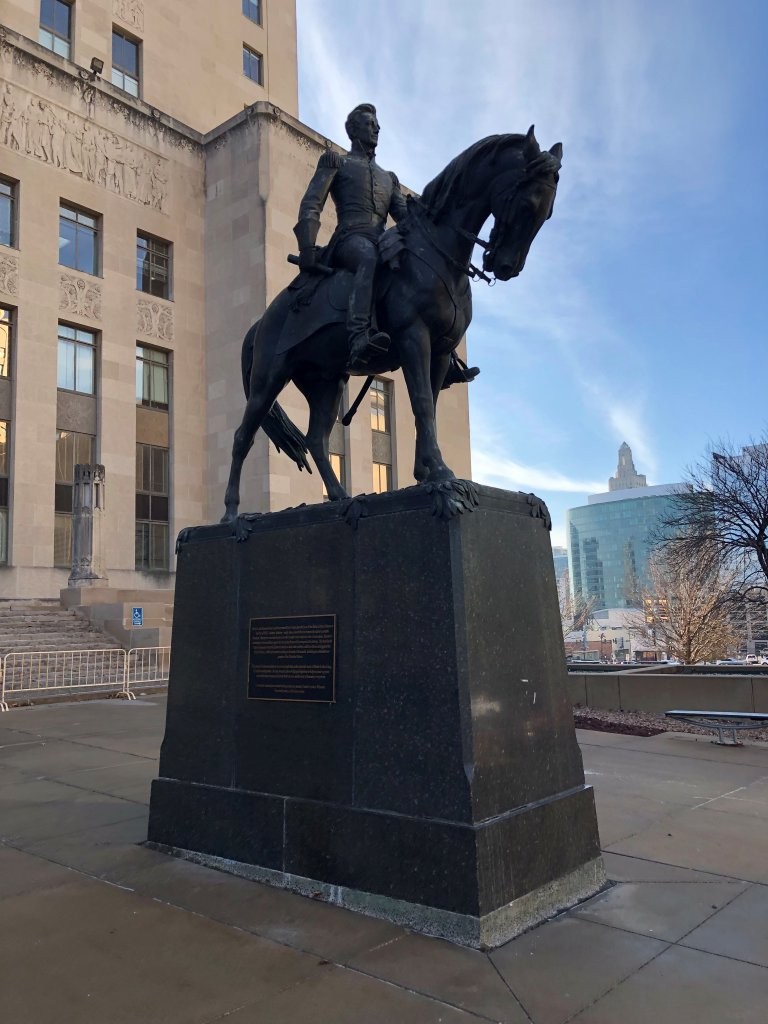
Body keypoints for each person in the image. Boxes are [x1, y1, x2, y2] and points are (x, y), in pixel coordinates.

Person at [294, 103, 407, 370]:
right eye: (370, 124)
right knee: (369, 258)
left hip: (380, 239)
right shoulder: (337, 162)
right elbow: (312, 203)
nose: (376, 129)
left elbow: (404, 216)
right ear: (354, 130)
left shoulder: (389, 178)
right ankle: (359, 336)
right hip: (350, 239)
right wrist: (307, 246)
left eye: (377, 125)